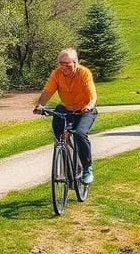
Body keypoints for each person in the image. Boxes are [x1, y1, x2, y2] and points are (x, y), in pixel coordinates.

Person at [33, 48, 97, 184]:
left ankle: (87, 168)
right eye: (61, 63)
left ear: (75, 62)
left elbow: (92, 93)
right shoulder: (57, 74)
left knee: (80, 134)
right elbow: (48, 91)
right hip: (65, 108)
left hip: (84, 110)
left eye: (67, 63)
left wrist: (90, 105)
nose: (63, 67)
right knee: (59, 137)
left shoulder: (84, 73)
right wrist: (40, 105)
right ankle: (69, 166)